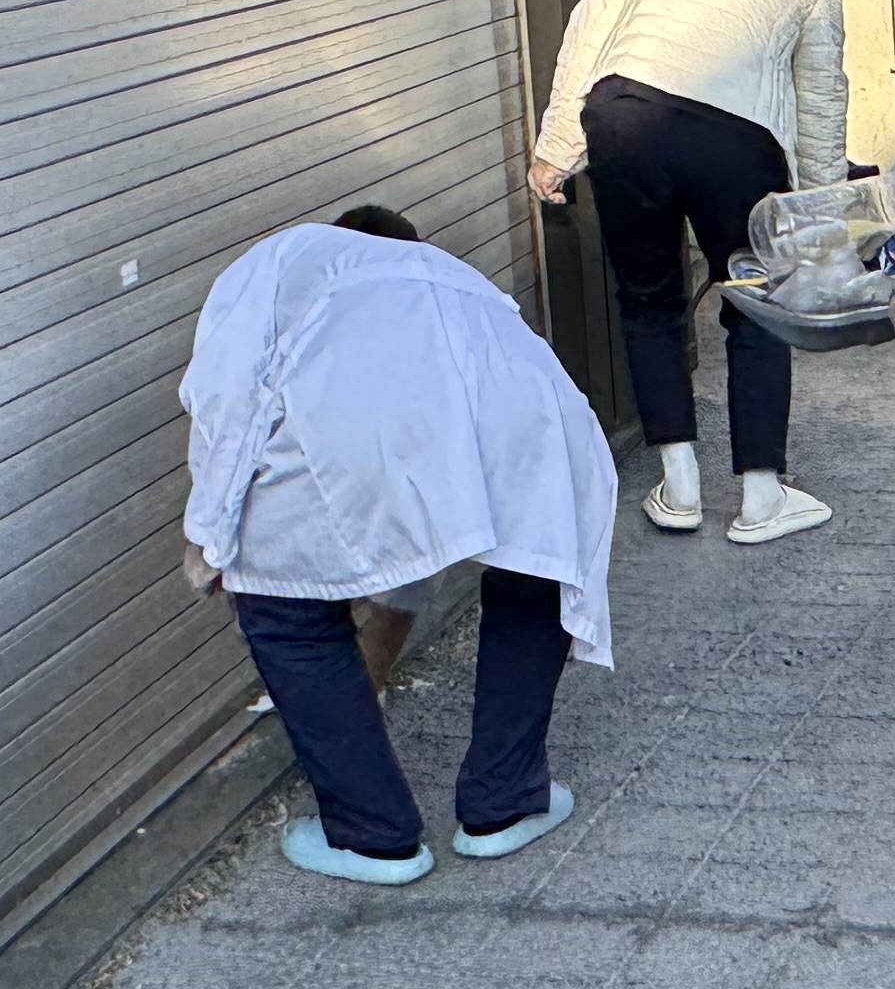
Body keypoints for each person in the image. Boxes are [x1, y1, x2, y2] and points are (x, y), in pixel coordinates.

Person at [178, 205, 616, 885]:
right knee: (537, 573)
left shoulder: (283, 257)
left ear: (340, 234)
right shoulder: (452, 278)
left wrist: (209, 540)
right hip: (538, 413)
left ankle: (372, 836)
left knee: (284, 611)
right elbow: (417, 534)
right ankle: (505, 805)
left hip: (349, 424)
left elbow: (229, 401)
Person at [532, 0, 849, 547]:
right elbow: (821, 97)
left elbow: (591, 28)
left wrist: (557, 149)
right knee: (757, 299)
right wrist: (821, 216)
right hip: (735, 136)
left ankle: (678, 489)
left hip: (623, 115)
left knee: (648, 301)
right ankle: (761, 498)